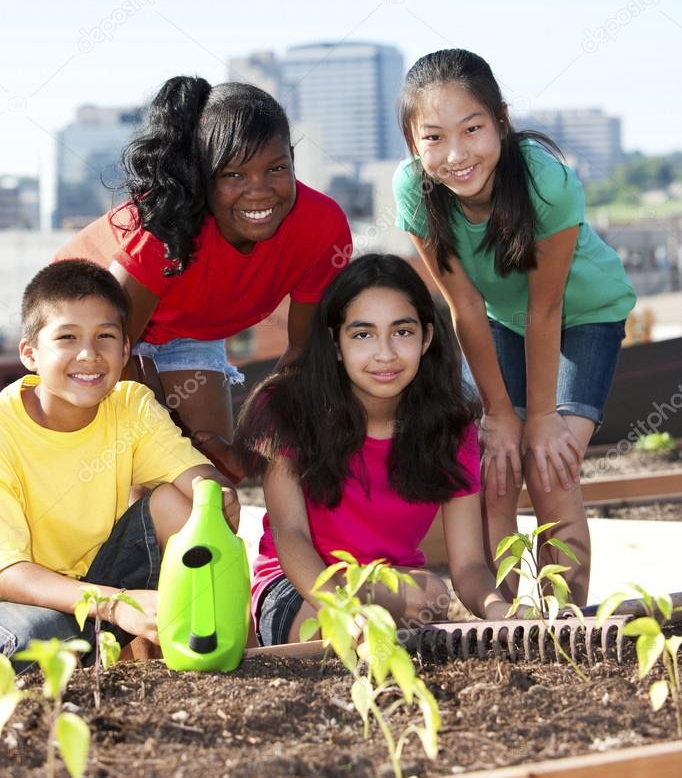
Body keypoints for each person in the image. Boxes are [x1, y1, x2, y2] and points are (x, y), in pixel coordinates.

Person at [393, 49, 636, 604]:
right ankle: (500, 616)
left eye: (472, 129)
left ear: (501, 120)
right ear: (413, 144)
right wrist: (501, 415)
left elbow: (545, 310)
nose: (456, 154)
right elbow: (466, 306)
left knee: (549, 466)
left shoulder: (545, 181)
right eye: (433, 138)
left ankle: (567, 618)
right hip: (502, 319)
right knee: (495, 465)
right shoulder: (413, 191)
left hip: (584, 316)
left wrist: (542, 418)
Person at [56, 77, 352, 480]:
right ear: (202, 174)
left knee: (216, 479)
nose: (260, 191)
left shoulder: (323, 227)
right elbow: (112, 347)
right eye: (234, 175)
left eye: (277, 168)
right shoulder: (165, 226)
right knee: (140, 476)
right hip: (94, 327)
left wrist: (252, 442)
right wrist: (171, 439)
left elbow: (304, 352)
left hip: (188, 327)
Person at [237, 254, 510, 646]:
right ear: (335, 343)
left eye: (402, 332)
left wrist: (499, 609)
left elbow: (468, 566)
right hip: (300, 589)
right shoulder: (288, 409)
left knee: (431, 593)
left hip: (391, 589)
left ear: (427, 337)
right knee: (381, 618)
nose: (385, 354)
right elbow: (290, 534)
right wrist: (341, 611)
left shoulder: (451, 428)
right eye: (363, 335)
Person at [0, 260, 240, 672]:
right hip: (26, 598)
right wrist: (114, 605)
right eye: (68, 337)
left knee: (182, 504)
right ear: (30, 353)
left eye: (105, 337)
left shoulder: (131, 405)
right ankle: (101, 651)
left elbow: (199, 481)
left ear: (125, 349)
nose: (89, 355)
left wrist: (216, 496)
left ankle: (211, 648)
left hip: (107, 580)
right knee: (31, 639)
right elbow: (8, 572)